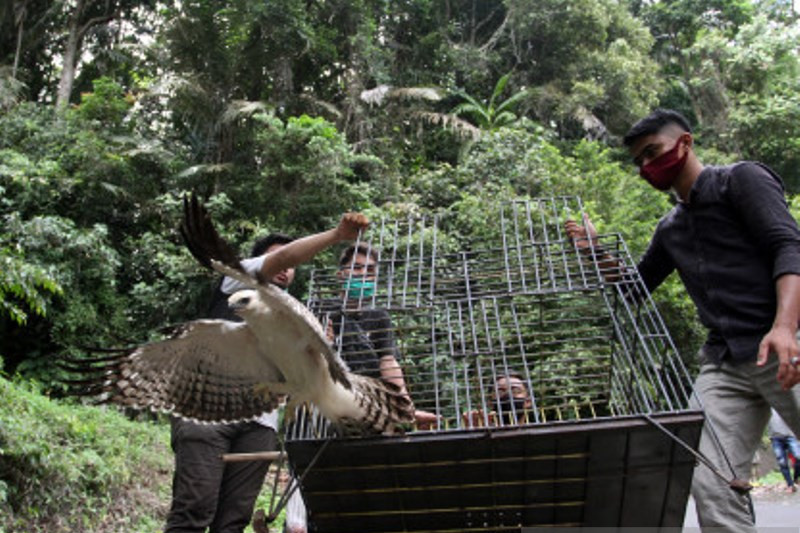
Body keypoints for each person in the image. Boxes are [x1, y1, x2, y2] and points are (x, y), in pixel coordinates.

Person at [564, 108, 800, 533]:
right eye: (639, 161)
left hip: (784, 340)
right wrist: (594, 251)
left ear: (685, 143)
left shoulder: (739, 181)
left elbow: (788, 246)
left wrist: (785, 326)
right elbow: (633, 289)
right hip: (725, 362)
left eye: (653, 152)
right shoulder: (670, 228)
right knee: (709, 478)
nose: (647, 167)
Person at [165, 213, 369, 533]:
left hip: (260, 423)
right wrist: (337, 235)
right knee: (194, 509)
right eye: (277, 258)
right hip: (206, 411)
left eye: (292, 263)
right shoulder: (240, 278)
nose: (286, 266)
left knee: (233, 520)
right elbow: (285, 256)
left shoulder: (295, 311)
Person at [463, 371, 534, 428]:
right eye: (499, 392)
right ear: (490, 403)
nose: (508, 395)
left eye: (515, 391)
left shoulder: (541, 433)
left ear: (528, 401)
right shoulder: (482, 431)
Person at [768, 408, 800, 493]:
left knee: (798, 457)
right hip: (776, 438)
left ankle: (796, 478)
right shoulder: (768, 408)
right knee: (782, 462)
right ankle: (790, 485)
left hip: (790, 435)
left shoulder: (787, 405)